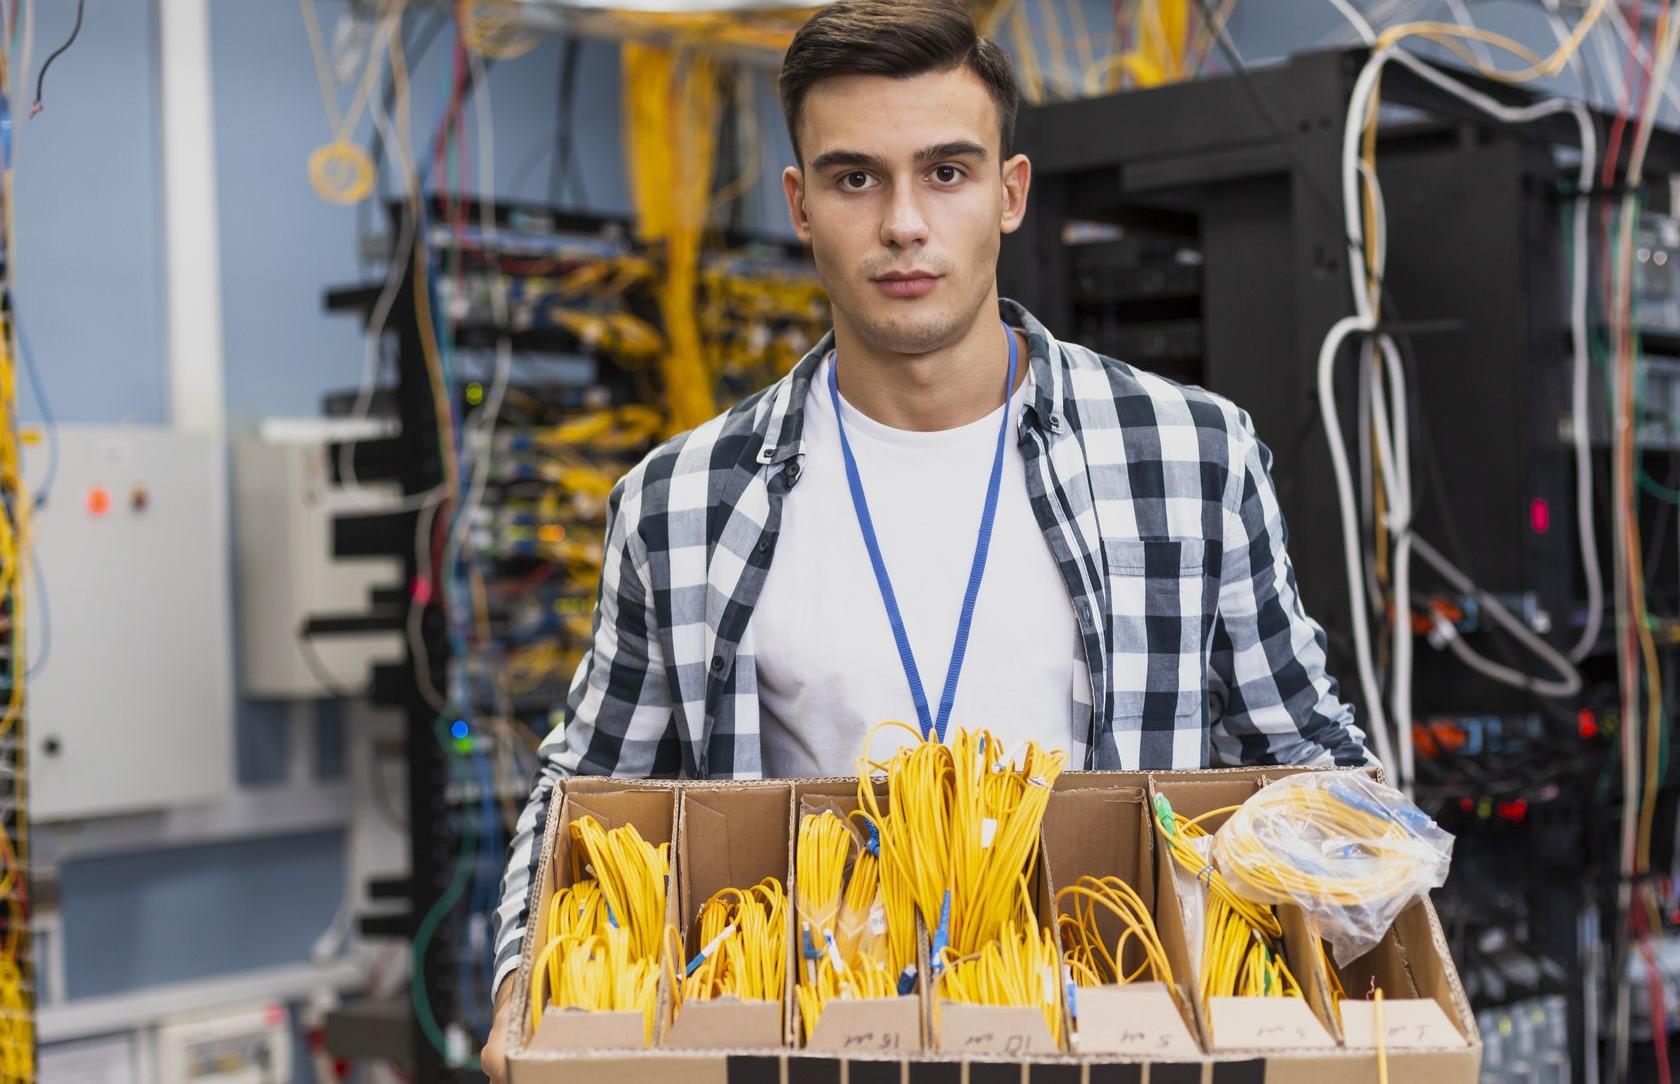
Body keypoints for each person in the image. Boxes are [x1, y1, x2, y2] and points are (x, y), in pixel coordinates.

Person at [480, 0, 1368, 1075]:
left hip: (1118, 1041)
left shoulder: (1188, 455)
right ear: (801, 204)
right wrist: (526, 996)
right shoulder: (680, 502)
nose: (904, 222)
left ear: (1009, 192)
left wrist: (1359, 970)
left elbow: (1308, 758)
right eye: (857, 178)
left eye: (945, 172)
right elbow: (581, 795)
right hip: (814, 1046)